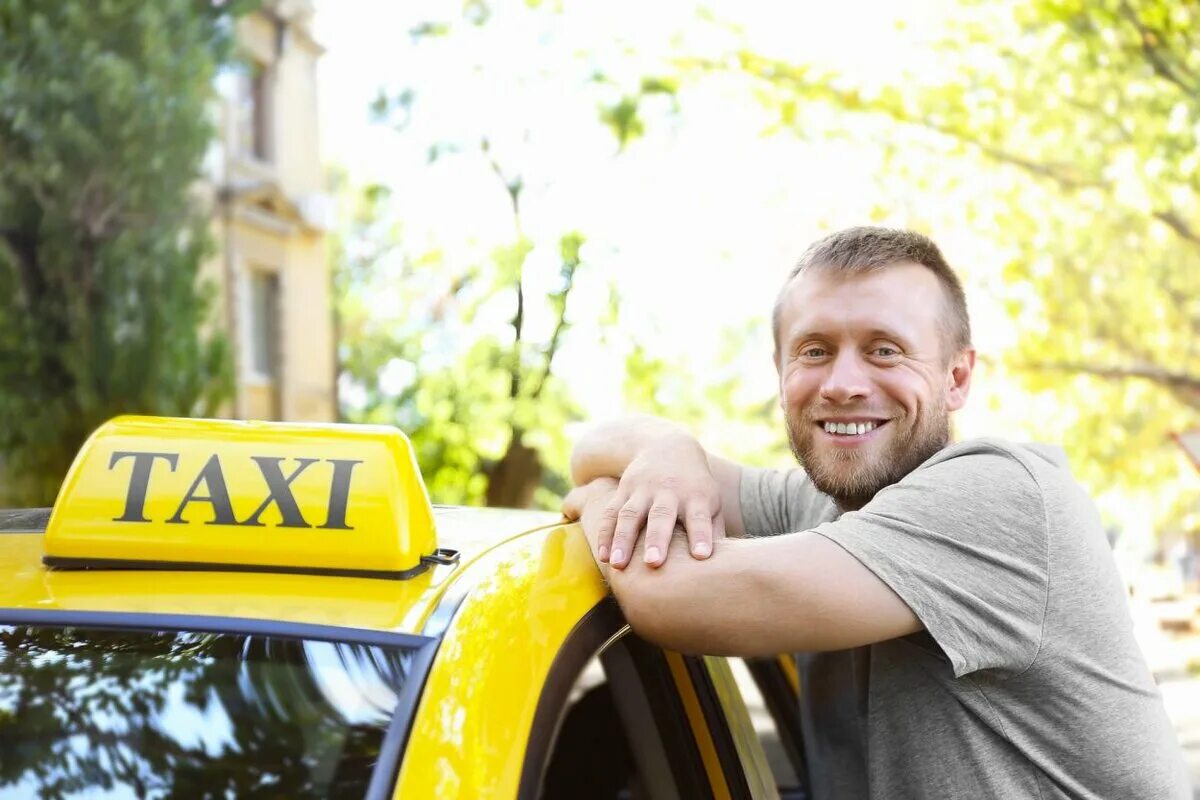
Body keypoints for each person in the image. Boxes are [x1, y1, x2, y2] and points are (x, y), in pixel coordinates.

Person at [563, 227, 1190, 799]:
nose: (843, 383)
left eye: (885, 350)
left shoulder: (999, 496)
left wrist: (597, 504)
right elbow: (592, 445)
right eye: (813, 351)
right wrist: (670, 449)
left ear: (957, 378)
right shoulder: (827, 506)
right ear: (780, 374)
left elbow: (667, 597)